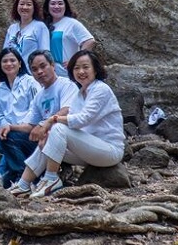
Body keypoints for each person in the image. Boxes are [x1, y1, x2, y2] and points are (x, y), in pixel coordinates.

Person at [8, 50, 123, 198]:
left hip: (110, 150)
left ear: (95, 69)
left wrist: (52, 120)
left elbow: (82, 119)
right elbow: (72, 121)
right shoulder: (80, 93)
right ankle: (23, 185)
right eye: (76, 68)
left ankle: (51, 179)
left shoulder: (101, 89)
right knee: (50, 136)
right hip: (89, 150)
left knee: (58, 128)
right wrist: (49, 134)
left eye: (85, 67)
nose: (81, 72)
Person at [0, 48, 41, 190]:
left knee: (8, 138)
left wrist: (17, 127)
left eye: (12, 60)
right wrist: (4, 126)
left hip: (31, 131)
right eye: (5, 61)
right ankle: (17, 175)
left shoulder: (30, 82)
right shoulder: (0, 88)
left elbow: (36, 109)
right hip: (11, 131)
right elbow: (1, 113)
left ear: (20, 63)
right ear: (0, 65)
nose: (9, 64)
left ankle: (14, 175)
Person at [42, 0, 96, 77]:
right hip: (50, 74)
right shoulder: (44, 26)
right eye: (53, 4)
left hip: (66, 74)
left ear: (65, 6)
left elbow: (89, 41)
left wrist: (76, 60)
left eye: (60, 3)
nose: (56, 6)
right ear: (47, 7)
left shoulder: (71, 23)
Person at [2, 0, 50, 68]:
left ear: (34, 8)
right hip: (12, 71)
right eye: (21, 4)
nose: (24, 7)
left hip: (31, 72)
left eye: (28, 4)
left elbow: (45, 53)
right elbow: (5, 53)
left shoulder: (40, 27)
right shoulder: (12, 28)